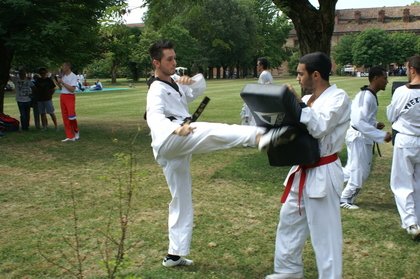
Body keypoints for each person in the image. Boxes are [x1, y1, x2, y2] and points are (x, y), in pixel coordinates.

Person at [145, 39, 288, 268]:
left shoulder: (174, 82)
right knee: (209, 130)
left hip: (177, 146)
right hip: (170, 139)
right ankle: (260, 136)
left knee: (181, 198)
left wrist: (191, 80)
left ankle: (174, 254)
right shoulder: (155, 89)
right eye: (169, 59)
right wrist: (175, 128)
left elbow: (198, 88)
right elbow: (154, 116)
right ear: (156, 62)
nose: (174, 62)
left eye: (174, 58)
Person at [265, 52, 351, 279]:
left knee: (325, 236)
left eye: (300, 73)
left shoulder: (338, 98)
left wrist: (295, 104)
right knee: (289, 222)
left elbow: (320, 126)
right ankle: (288, 271)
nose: (297, 78)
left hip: (323, 171)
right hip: (301, 170)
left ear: (316, 75)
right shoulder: (306, 100)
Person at [340, 67, 392, 209]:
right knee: (360, 171)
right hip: (358, 138)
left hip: (360, 137)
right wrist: (381, 135)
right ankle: (345, 199)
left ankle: (327, 182)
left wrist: (375, 124)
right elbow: (358, 121)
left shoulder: (369, 95)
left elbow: (363, 118)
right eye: (384, 78)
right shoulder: (366, 96)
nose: (387, 81)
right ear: (375, 78)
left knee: (352, 169)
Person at [387, 55, 420, 240]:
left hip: (406, 140)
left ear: (412, 69)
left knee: (402, 183)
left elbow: (392, 115)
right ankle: (417, 219)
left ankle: (411, 222)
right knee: (418, 183)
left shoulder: (402, 92)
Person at [240, 57, 273, 127]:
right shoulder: (268, 73)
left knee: (246, 107)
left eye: (258, 65)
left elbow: (261, 90)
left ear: (261, 66)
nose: (257, 66)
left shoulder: (263, 74)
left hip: (263, 100)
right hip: (267, 99)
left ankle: (246, 124)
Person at [57, 62, 79, 142]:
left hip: (70, 96)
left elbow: (72, 89)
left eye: (63, 66)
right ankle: (70, 136)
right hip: (63, 95)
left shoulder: (73, 76)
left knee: (71, 116)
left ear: (68, 67)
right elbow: (61, 87)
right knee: (65, 117)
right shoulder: (63, 75)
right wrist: (58, 82)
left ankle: (76, 132)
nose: (62, 68)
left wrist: (62, 82)